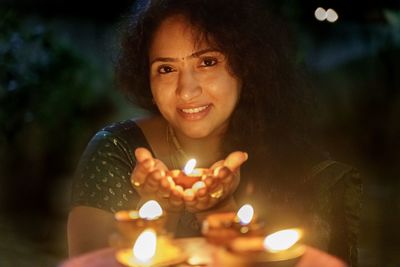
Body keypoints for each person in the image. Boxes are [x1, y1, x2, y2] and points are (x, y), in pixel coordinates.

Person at [67, 0, 362, 265]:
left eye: (207, 62)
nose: (186, 90)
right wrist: (160, 213)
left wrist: (216, 211)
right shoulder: (118, 151)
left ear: (247, 66)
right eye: (166, 69)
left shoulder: (308, 174)